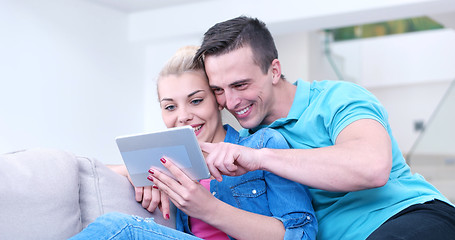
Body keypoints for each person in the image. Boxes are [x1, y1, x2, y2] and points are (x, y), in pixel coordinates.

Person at [192, 16, 455, 240]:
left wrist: (261, 158)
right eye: (218, 90)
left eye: (240, 85)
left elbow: (372, 167)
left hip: (408, 215)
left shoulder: (336, 98)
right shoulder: (242, 145)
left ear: (274, 71)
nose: (231, 102)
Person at [70, 46, 317, 240]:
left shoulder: (262, 145)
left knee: (121, 228)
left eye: (196, 101)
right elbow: (93, 172)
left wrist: (208, 208)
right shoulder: (170, 161)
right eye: (170, 106)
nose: (183, 116)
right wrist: (142, 171)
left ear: (218, 99)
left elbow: (301, 233)